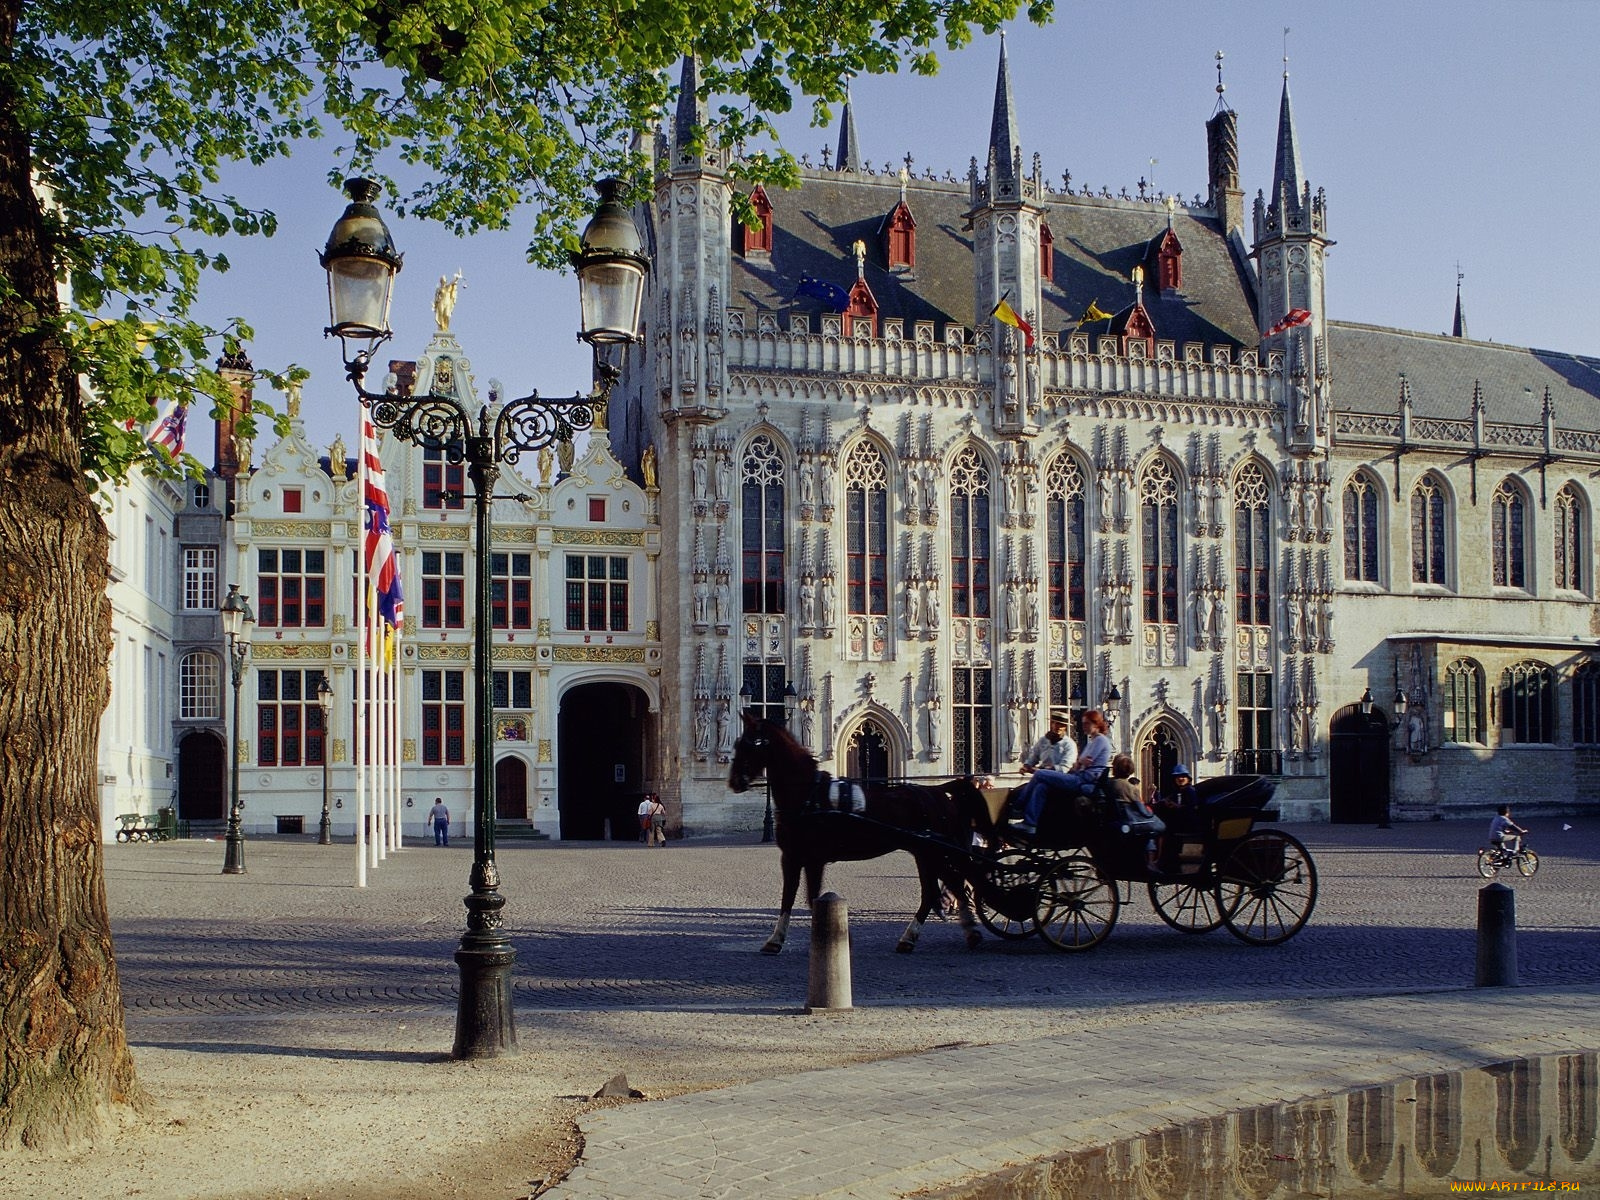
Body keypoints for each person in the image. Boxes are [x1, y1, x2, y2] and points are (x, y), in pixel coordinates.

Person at [1009, 709, 1113, 836]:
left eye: (1087, 723)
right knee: (1041, 786)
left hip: (1083, 780)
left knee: (1040, 774)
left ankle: (1017, 807)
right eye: (1055, 723)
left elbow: (1084, 762)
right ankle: (1030, 824)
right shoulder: (1092, 741)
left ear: (1096, 724)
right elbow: (1078, 764)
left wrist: (1077, 763)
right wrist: (1027, 765)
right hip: (1077, 776)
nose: (1083, 727)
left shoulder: (1099, 741)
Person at [1105, 754, 1164, 868]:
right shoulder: (1130, 787)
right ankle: (1151, 863)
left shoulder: (1109, 783)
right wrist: (1151, 813)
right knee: (1157, 828)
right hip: (1128, 823)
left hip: (1115, 821)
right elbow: (1143, 811)